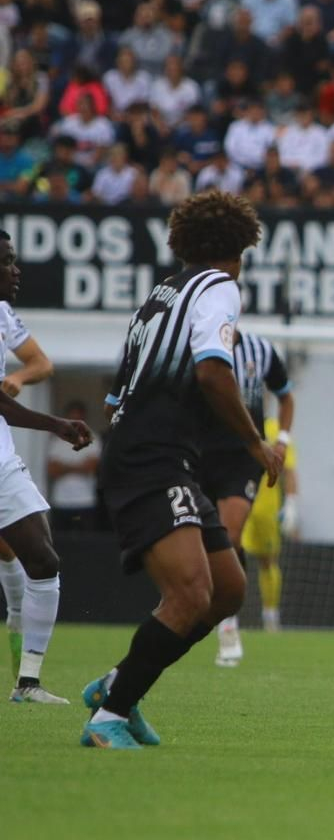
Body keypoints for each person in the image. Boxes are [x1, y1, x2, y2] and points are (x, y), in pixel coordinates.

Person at [85, 193, 282, 749]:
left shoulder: (160, 294)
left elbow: (113, 400)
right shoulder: (220, 288)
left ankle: (119, 685)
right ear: (239, 252)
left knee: (227, 589)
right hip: (153, 456)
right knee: (193, 594)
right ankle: (109, 717)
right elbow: (215, 371)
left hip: (157, 453)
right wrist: (256, 444)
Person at [0, 233, 92, 703]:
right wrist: (56, 424)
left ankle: (28, 682)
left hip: (1, 465)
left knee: (43, 560)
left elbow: (37, 365)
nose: (16, 270)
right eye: (8, 262)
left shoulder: (1, 315)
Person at [196, 330, 294, 668]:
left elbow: (286, 395)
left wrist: (281, 439)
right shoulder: (194, 345)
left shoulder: (261, 350)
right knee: (199, 539)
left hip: (243, 457)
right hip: (198, 455)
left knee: (229, 534)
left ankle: (228, 625)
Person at [240, 414, 297, 638]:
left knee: (267, 561)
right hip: (239, 500)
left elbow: (289, 470)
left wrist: (292, 503)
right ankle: (227, 618)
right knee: (232, 554)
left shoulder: (276, 429)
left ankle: (270, 616)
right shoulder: (234, 423)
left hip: (266, 507)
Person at [48, 401, 101, 532]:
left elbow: (92, 468)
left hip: (86, 501)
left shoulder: (94, 440)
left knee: (86, 543)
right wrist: (80, 466)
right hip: (61, 501)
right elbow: (52, 470)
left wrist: (64, 467)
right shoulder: (56, 442)